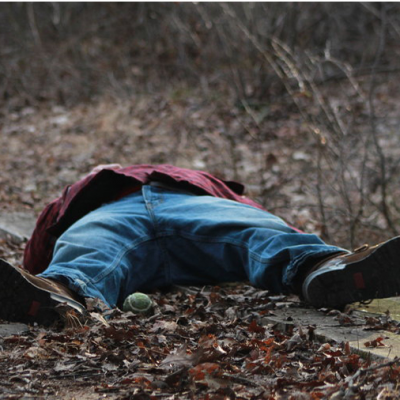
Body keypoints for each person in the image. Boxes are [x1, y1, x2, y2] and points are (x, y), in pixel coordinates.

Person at [1, 164, 400, 326]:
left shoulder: (204, 186)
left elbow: (40, 245)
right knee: (89, 251)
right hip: (118, 213)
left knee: (254, 234)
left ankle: (324, 269)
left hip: (188, 205)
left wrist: (36, 268)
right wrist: (35, 282)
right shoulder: (85, 194)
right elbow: (39, 251)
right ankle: (61, 294)